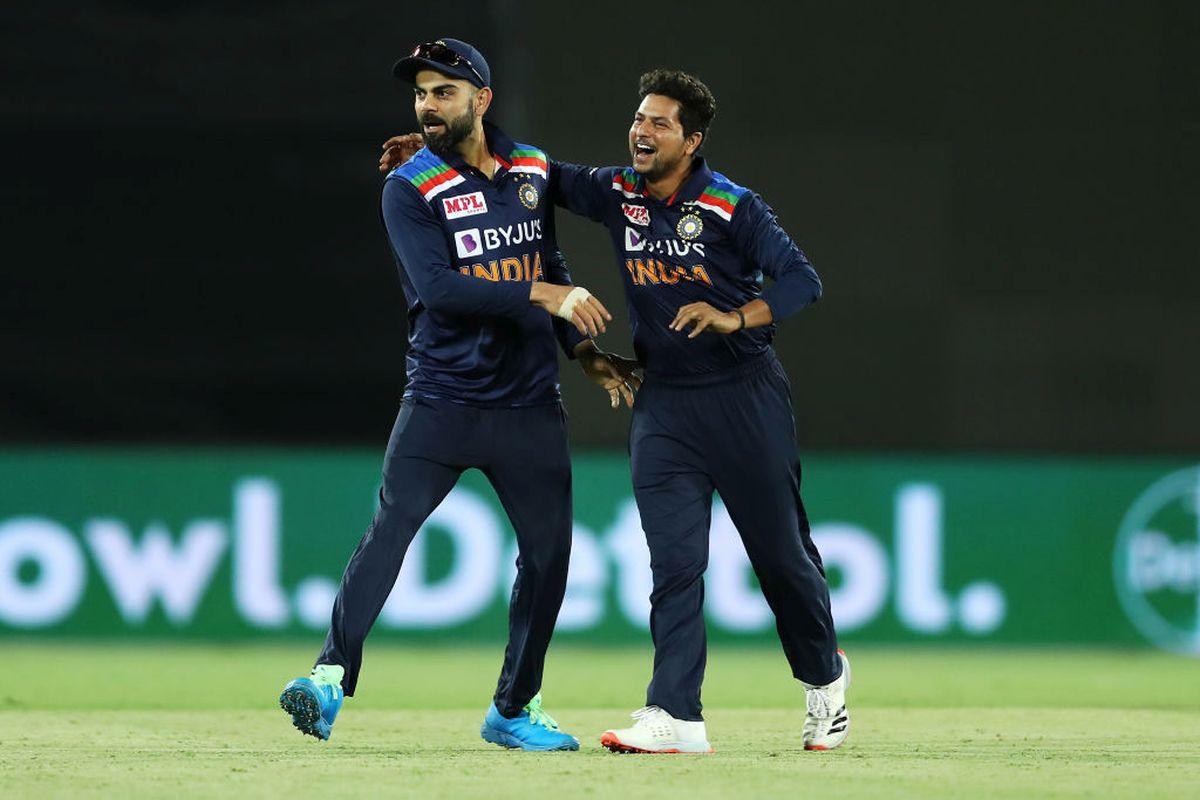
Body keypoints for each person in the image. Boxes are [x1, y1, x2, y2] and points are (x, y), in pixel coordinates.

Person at [381, 68, 850, 754]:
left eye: (660, 123)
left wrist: (733, 316)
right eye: (639, 118)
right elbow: (526, 171)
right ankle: (675, 716)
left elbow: (803, 280)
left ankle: (824, 679)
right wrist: (432, 153)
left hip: (744, 398)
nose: (642, 131)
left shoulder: (731, 205)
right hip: (663, 406)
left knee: (780, 559)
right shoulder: (616, 191)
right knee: (674, 565)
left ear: (691, 141)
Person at [280, 38, 633, 752]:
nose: (428, 104)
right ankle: (328, 673)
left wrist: (585, 352)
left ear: (482, 99)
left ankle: (512, 708)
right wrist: (547, 294)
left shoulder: (532, 169)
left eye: (444, 91)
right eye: (421, 93)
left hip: (529, 405)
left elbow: (548, 258)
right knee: (391, 530)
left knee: (551, 557)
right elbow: (441, 292)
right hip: (441, 399)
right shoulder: (407, 186)